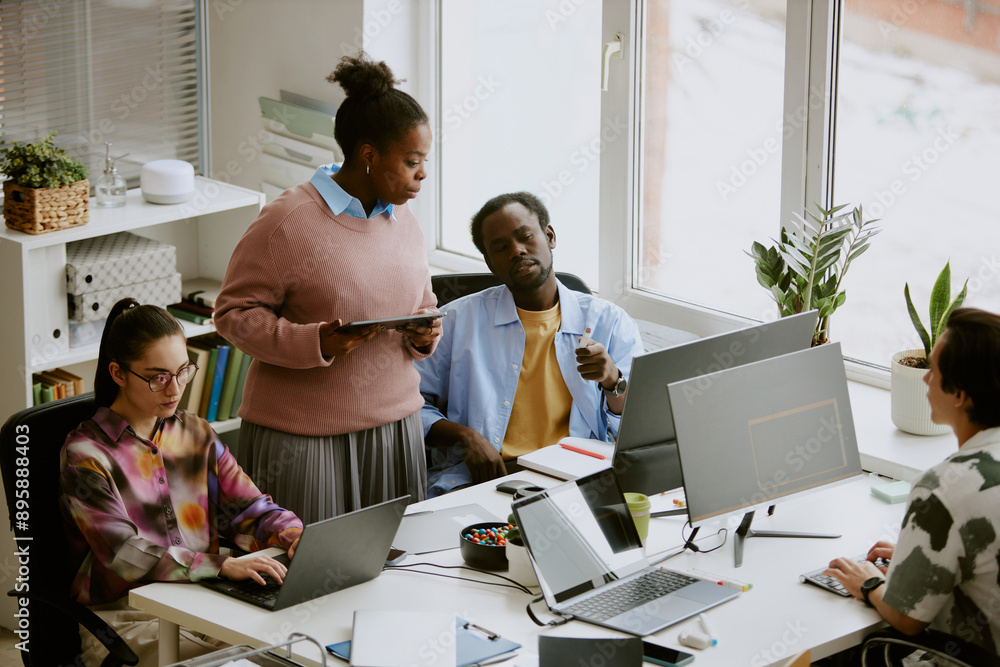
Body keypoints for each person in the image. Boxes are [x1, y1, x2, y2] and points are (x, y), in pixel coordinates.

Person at [214, 52, 441, 523]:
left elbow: (422, 303)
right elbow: (232, 314)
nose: (423, 173)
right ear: (369, 155)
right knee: (306, 579)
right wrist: (315, 341)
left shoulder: (406, 223)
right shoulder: (288, 221)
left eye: (425, 161)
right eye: (412, 161)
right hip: (303, 439)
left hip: (395, 430)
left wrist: (425, 335)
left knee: (397, 575)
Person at [61, 298, 303, 667]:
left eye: (183, 371)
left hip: (204, 601)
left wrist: (292, 534)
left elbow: (251, 508)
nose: (175, 389)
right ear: (118, 373)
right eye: (158, 377)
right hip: (127, 617)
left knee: (291, 651)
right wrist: (218, 565)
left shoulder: (195, 432)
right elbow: (124, 553)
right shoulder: (86, 455)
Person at [415, 192, 645, 497]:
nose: (517, 251)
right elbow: (409, 404)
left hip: (576, 481)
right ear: (489, 262)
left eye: (525, 236)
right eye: (500, 247)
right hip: (484, 479)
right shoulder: (456, 321)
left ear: (549, 236)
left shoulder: (610, 322)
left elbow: (639, 426)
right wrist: (464, 436)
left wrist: (612, 379)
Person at [825, 308, 1000, 657]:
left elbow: (907, 620)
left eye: (932, 370)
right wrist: (921, 561)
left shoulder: (943, 487)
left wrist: (869, 583)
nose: (923, 379)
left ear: (960, 395)